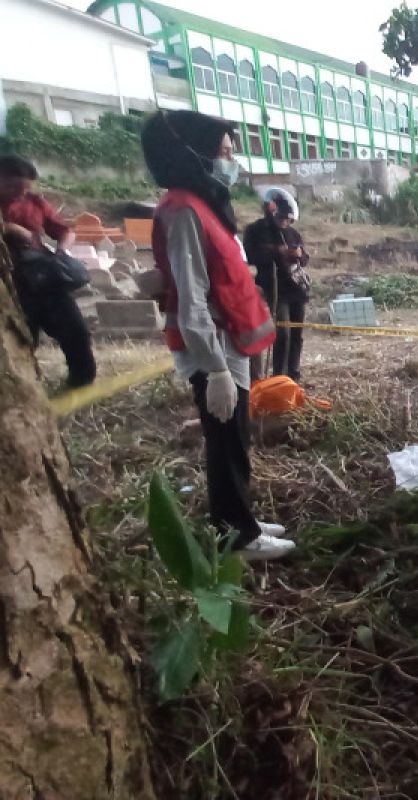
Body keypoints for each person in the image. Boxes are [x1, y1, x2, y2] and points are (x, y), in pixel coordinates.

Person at [142, 110, 293, 561]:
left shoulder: (204, 205)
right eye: (225, 151)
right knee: (225, 442)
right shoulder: (183, 210)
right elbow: (191, 299)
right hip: (212, 348)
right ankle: (237, 538)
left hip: (229, 342)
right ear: (196, 154)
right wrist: (215, 370)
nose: (232, 160)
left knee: (236, 437)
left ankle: (239, 517)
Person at [0, 155, 96, 388]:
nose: (19, 194)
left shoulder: (34, 202)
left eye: (24, 190)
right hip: (9, 288)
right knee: (20, 341)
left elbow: (65, 231)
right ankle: (26, 390)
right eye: (13, 187)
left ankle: (81, 382)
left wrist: (62, 250)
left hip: (43, 278)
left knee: (76, 331)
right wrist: (10, 228)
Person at [244, 189, 310, 382]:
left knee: (296, 333)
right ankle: (279, 377)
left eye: (288, 220)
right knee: (283, 334)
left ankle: (293, 375)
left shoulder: (292, 233)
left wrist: (298, 255)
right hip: (274, 288)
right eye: (282, 218)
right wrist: (277, 252)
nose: (285, 222)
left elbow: (304, 258)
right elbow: (250, 256)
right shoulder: (255, 231)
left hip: (296, 289)